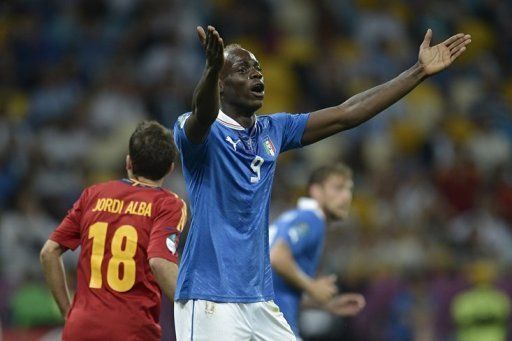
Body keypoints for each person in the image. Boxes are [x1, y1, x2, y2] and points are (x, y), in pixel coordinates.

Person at [172, 25, 471, 340]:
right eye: (243, 70)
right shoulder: (199, 133)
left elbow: (346, 114)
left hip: (258, 298)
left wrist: (418, 72)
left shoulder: (275, 129)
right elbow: (202, 114)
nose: (257, 76)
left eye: (259, 70)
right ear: (220, 83)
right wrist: (209, 69)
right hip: (209, 295)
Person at [40, 121, 187, 341]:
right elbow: (160, 261)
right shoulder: (168, 205)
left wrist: (68, 312)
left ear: (128, 162)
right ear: (170, 168)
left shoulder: (93, 195)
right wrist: (191, 312)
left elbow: (48, 252)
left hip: (80, 329)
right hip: (132, 330)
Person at [269, 163, 365, 337]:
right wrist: (312, 286)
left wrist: (327, 305)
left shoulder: (294, 217)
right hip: (274, 325)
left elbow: (277, 285)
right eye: (338, 188)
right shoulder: (312, 219)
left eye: (349, 189)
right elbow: (277, 257)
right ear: (316, 191)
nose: (346, 197)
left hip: (262, 318)